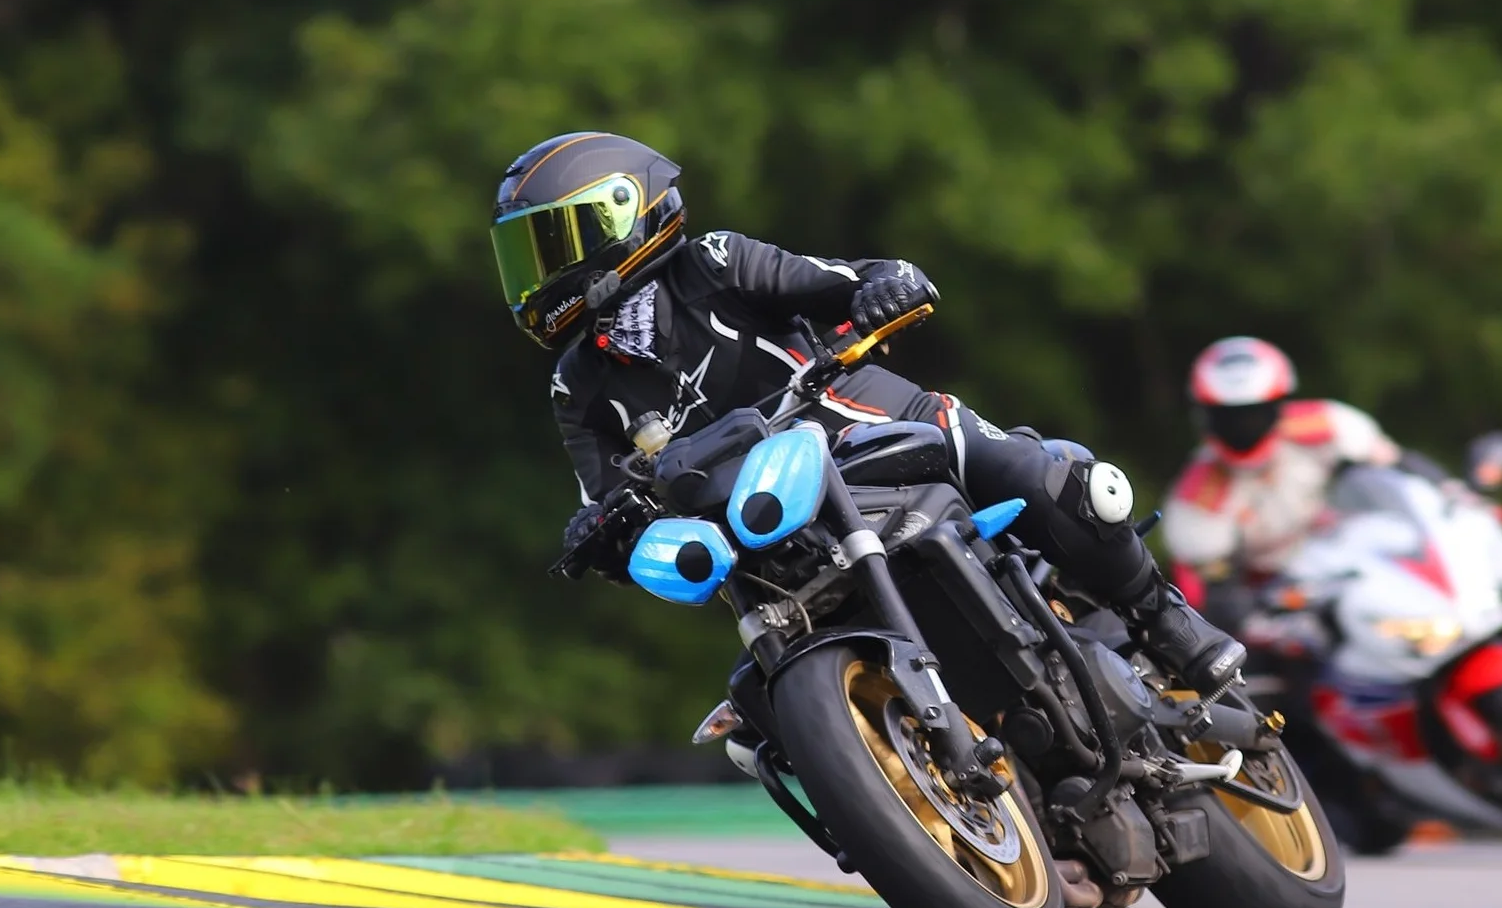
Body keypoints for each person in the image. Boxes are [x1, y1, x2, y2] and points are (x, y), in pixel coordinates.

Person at [493, 131, 1244, 699]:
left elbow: (843, 281)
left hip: (875, 431)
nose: (534, 273)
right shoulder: (577, 383)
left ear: (616, 217)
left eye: (548, 242)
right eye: (522, 253)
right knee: (750, 707)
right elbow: (606, 507)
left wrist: (885, 284)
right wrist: (598, 538)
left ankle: (1162, 618)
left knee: (1049, 480)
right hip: (770, 542)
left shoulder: (713, 262)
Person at [1160, 336, 1400, 646]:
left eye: (1255, 411)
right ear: (1206, 414)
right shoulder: (1197, 497)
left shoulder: (1326, 425)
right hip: (1284, 608)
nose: (1244, 425)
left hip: (1365, 565)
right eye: (1229, 415)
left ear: (1278, 405)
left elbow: (1398, 471)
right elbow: (1215, 594)